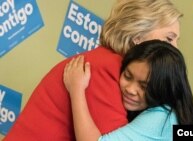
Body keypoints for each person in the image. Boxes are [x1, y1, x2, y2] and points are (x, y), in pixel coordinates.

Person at [4, 0, 183, 140]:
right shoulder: (106, 67)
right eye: (169, 38)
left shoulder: (109, 62)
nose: (175, 48)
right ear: (138, 36)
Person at [64, 40, 193, 141]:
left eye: (144, 86)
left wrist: (76, 89)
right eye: (127, 76)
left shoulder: (162, 118)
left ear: (164, 90)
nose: (130, 89)